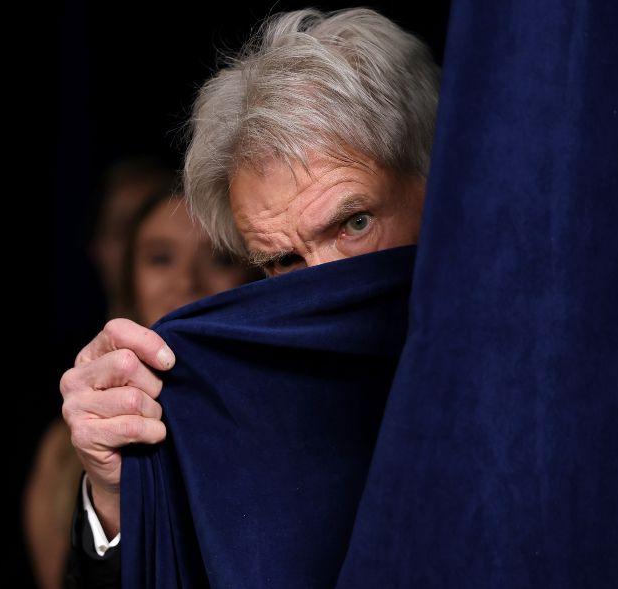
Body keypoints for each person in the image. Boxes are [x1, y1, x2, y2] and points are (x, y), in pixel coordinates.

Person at [59, 7, 440, 585]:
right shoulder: (231, 407)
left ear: (439, 182)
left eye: (355, 224)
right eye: (285, 261)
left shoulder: (548, 357)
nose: (324, 285)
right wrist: (118, 497)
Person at [25, 174, 258, 588]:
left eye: (220, 258)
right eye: (160, 258)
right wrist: (108, 496)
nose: (186, 284)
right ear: (130, 282)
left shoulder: (275, 415)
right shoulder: (67, 448)